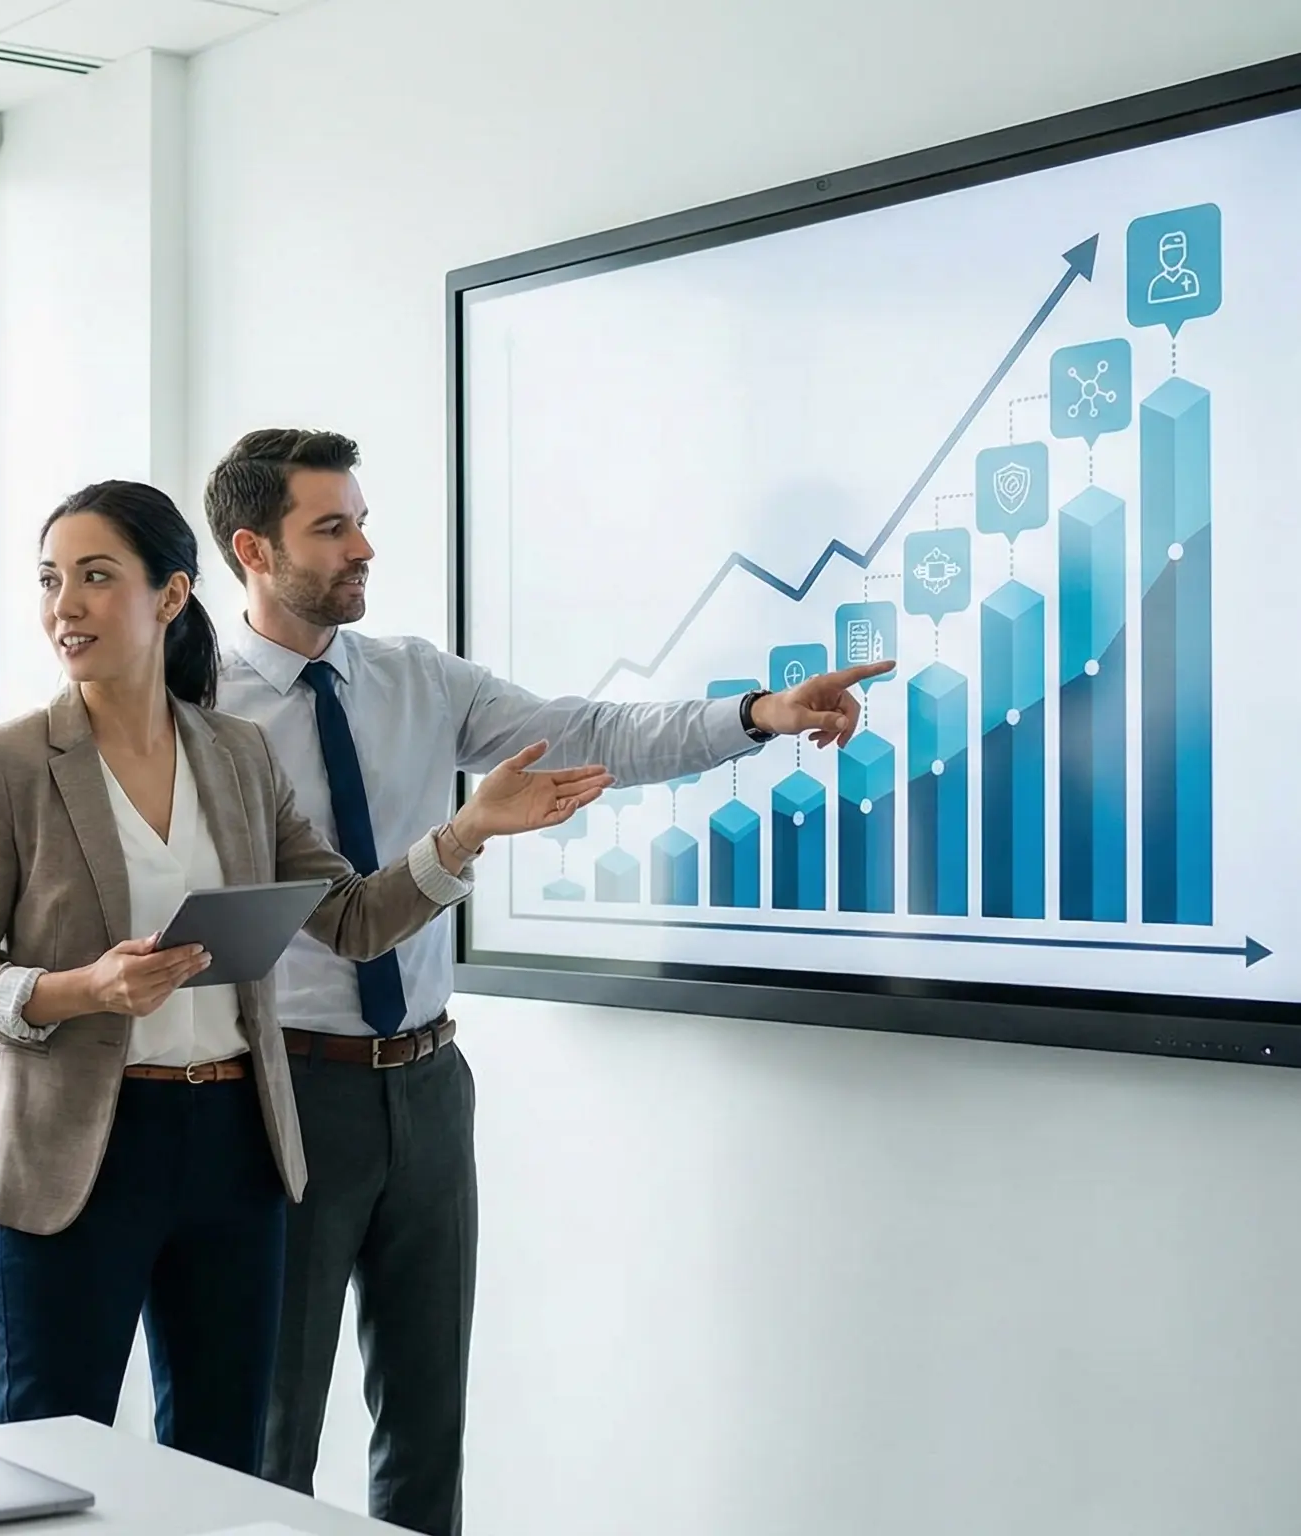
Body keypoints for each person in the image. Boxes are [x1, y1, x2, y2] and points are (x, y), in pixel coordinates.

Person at [206, 428, 891, 1535]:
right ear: (252, 549)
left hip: (428, 1086)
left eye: (361, 520)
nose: (361, 547)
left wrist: (756, 715)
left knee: (426, 1428)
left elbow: (590, 729)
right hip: (287, 1094)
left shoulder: (416, 677)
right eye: (330, 528)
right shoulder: (200, 714)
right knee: (268, 1433)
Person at [0, 480, 609, 1476]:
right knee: (45, 1460)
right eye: (50, 581)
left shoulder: (235, 756)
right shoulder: (6, 764)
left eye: (95, 578)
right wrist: (81, 989)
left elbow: (351, 917)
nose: (63, 607)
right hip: (78, 1152)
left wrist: (468, 830)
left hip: (232, 1149)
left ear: (168, 595)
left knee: (222, 1467)